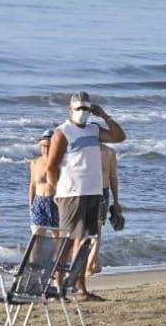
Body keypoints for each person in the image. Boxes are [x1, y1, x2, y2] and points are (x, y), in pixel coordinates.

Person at [43, 91, 125, 300]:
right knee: (67, 240)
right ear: (70, 109)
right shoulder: (63, 132)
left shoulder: (93, 129)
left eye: (86, 109)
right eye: (78, 108)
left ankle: (81, 288)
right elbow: (51, 165)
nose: (82, 112)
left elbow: (119, 137)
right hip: (71, 192)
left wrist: (104, 116)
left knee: (86, 240)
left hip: (93, 191)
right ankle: (57, 285)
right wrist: (55, 188)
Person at [85, 141, 124, 280]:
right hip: (85, 193)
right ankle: (94, 262)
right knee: (85, 231)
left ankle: (90, 265)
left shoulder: (108, 152)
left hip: (101, 193)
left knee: (96, 231)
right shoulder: (83, 150)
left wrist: (116, 200)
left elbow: (113, 177)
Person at [28, 129, 59, 231]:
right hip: (39, 202)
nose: (46, 149)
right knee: (36, 236)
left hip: (55, 202)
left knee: (58, 237)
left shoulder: (60, 163)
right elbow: (32, 185)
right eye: (43, 146)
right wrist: (31, 204)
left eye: (49, 146)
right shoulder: (35, 163)